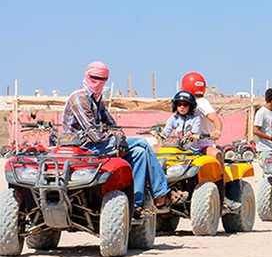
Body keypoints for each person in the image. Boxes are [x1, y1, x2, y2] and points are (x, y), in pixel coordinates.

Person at [61, 61, 186, 216]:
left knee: (140, 153)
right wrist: (116, 139)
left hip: (98, 144)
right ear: (87, 75)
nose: (98, 82)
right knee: (142, 142)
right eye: (94, 77)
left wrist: (119, 137)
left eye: (103, 79)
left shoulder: (96, 99)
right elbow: (94, 134)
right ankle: (161, 194)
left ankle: (136, 205)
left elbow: (113, 125)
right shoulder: (80, 98)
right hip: (84, 147)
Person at [181, 71, 237, 209]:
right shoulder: (183, 103)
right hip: (186, 144)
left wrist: (217, 131)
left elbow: (215, 119)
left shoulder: (201, 102)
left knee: (217, 155)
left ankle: (222, 197)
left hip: (203, 144)